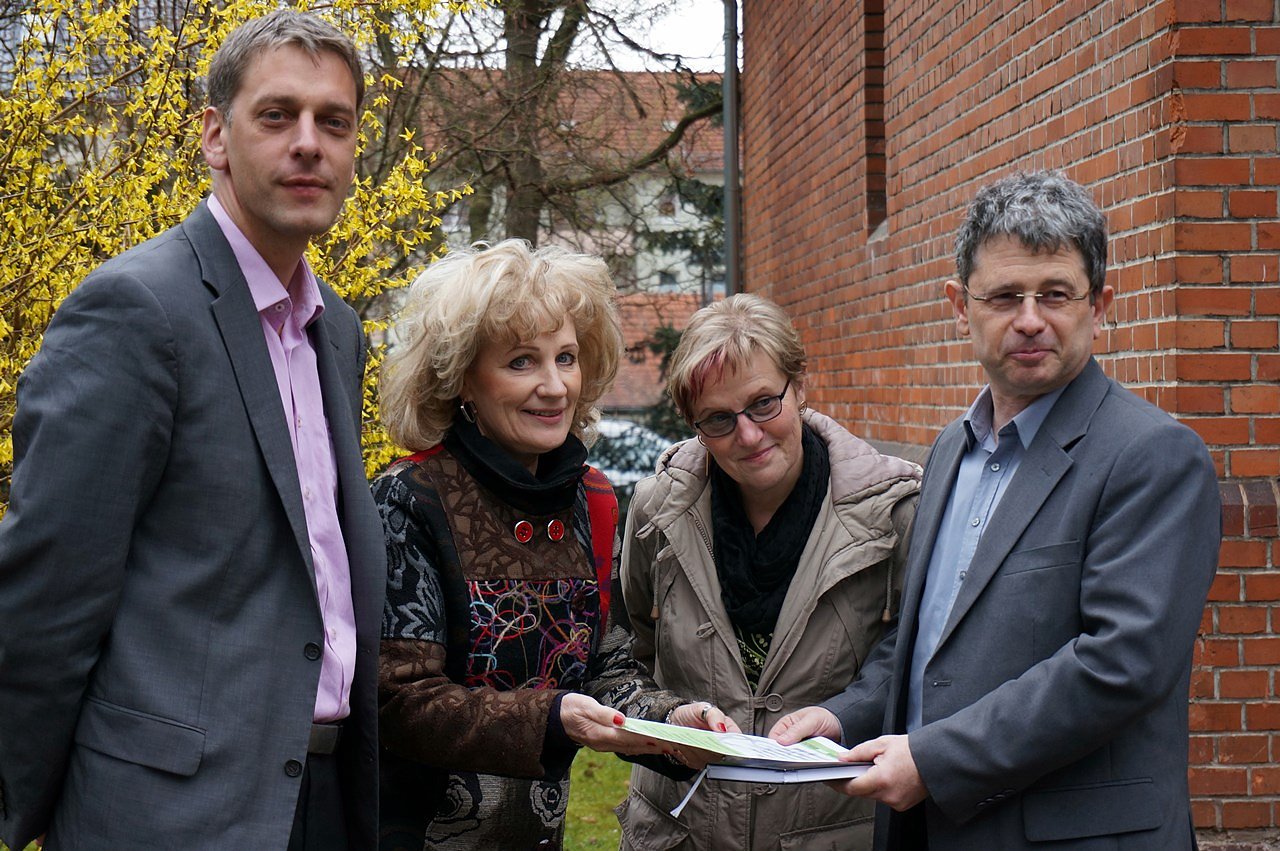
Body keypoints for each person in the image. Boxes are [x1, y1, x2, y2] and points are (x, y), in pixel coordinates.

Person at [0, 11, 386, 850]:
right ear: (215, 136)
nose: (309, 143)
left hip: (322, 801)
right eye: (277, 115)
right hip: (165, 817)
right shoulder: (134, 311)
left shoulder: (338, 332)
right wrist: (23, 805)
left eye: (334, 121)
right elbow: (48, 595)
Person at [771, 171, 1222, 850]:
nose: (1031, 319)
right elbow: (930, 642)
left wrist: (934, 760)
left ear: (1100, 305)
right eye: (1006, 296)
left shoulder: (1153, 457)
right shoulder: (952, 450)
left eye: (1056, 295)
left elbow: (1119, 665)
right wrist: (844, 716)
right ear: (961, 307)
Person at [373, 239, 732, 851]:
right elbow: (398, 701)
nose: (555, 385)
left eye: (566, 358)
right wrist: (551, 718)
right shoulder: (409, 500)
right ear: (462, 377)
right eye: (521, 362)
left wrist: (673, 724)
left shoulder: (590, 499)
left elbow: (606, 667)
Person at [612, 293, 922, 849]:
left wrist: (844, 714)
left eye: (763, 404)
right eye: (719, 419)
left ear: (798, 386)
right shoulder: (656, 512)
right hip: (679, 831)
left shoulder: (895, 512)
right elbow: (625, 652)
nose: (749, 435)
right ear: (694, 424)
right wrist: (670, 717)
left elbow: (915, 658)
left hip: (832, 833)